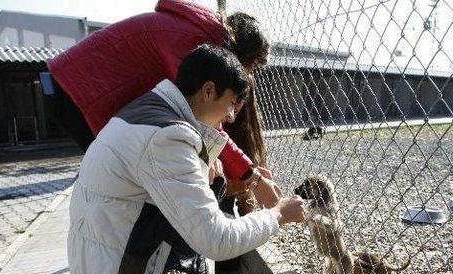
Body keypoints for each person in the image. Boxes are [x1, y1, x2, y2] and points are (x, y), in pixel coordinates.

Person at [69, 44, 306, 274]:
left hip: (108, 258)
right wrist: (277, 216)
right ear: (208, 90)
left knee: (218, 183)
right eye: (230, 105)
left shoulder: (152, 110)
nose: (230, 118)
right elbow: (216, 240)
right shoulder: (168, 138)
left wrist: (215, 164)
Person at [44, 0, 280, 211]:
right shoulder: (194, 43)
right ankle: (121, 247)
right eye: (249, 69)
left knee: (125, 180)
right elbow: (201, 118)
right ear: (241, 57)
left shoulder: (195, 31)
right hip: (72, 93)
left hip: (70, 88)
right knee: (122, 184)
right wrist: (252, 177)